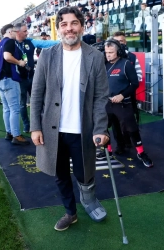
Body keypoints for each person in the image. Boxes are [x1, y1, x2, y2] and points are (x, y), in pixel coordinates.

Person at [30, 6, 109, 231]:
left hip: (83, 129)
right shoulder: (47, 55)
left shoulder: (95, 56)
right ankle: (70, 212)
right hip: (53, 129)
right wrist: (35, 126)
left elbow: (101, 97)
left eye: (74, 23)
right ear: (58, 29)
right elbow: (36, 94)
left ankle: (89, 199)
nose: (69, 28)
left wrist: (100, 128)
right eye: (63, 24)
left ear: (82, 26)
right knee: (61, 174)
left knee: (85, 172)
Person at [103, 39, 153, 168]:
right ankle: (107, 150)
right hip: (107, 104)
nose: (108, 55)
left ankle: (141, 153)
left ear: (118, 52)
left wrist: (122, 95)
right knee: (103, 128)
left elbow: (134, 84)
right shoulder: (103, 64)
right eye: (106, 52)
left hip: (123, 103)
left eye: (111, 52)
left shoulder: (126, 64)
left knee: (132, 129)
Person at [14, 22, 59, 133]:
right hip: (20, 79)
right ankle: (26, 126)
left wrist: (63, 42)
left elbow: (47, 44)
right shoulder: (11, 44)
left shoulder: (30, 42)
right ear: (18, 32)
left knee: (38, 101)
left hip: (32, 77)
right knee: (22, 104)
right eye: (24, 31)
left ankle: (39, 124)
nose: (27, 33)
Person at [0, 24, 30, 145]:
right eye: (15, 31)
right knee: (14, 108)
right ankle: (16, 135)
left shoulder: (0, 44)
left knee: (7, 108)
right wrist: (19, 62)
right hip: (9, 78)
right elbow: (7, 57)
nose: (16, 33)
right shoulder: (9, 42)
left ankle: (9, 132)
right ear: (9, 32)